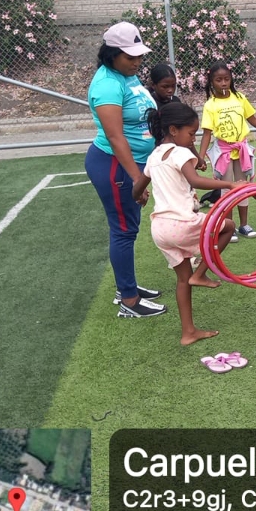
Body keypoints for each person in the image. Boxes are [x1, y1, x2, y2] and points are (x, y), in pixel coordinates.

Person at [84, 22, 167, 320]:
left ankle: (126, 286)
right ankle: (129, 301)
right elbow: (116, 137)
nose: (137, 61)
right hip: (114, 166)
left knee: (127, 228)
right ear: (112, 54)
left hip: (130, 165)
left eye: (139, 55)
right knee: (123, 230)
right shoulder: (107, 84)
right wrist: (136, 179)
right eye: (130, 57)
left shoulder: (126, 76)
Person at [143, 101, 231, 345]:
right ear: (173, 130)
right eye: (191, 134)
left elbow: (137, 188)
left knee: (183, 279)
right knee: (228, 227)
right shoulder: (180, 153)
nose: (193, 139)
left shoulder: (154, 156)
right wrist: (230, 184)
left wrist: (140, 195)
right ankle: (202, 273)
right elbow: (195, 180)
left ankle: (188, 332)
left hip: (160, 229)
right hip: (181, 223)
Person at [196, 61, 256, 239]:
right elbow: (207, 133)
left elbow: (253, 119)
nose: (223, 83)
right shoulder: (210, 105)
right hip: (224, 152)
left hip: (241, 149)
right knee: (227, 189)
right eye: (219, 80)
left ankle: (244, 225)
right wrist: (201, 157)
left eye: (226, 79)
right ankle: (229, 226)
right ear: (211, 82)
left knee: (243, 186)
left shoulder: (240, 98)